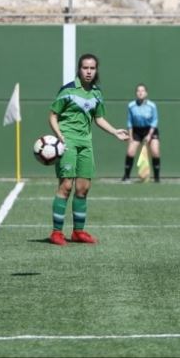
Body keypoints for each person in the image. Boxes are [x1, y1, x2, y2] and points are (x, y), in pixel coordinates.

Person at [48, 54, 128, 246]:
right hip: (68, 142)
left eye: (92, 68)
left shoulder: (97, 93)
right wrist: (59, 135)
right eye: (85, 68)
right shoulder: (67, 90)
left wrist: (115, 132)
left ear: (96, 70)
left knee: (83, 188)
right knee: (66, 186)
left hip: (86, 144)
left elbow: (98, 118)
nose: (89, 71)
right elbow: (52, 115)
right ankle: (56, 232)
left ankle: (78, 232)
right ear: (79, 69)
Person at [122, 84, 161, 182]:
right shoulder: (131, 106)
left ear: (146, 93)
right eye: (138, 91)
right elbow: (129, 121)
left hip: (150, 130)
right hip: (136, 130)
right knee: (130, 152)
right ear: (136, 93)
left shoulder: (152, 106)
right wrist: (130, 136)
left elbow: (155, 121)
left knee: (155, 151)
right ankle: (126, 177)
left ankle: (156, 178)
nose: (140, 92)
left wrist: (149, 135)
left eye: (142, 90)